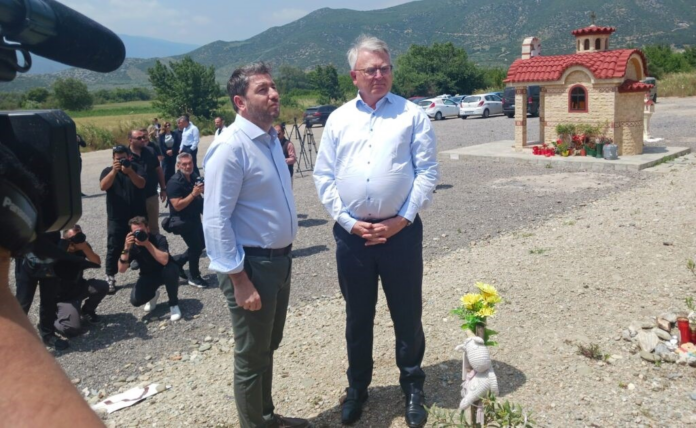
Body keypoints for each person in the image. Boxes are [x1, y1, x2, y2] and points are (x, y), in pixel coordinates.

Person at [313, 35, 439, 428]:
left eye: (385, 68)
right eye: (371, 69)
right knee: (358, 316)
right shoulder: (338, 119)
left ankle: (413, 385)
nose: (379, 75)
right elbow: (324, 176)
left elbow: (427, 173)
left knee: (407, 312)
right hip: (353, 238)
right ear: (355, 76)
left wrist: (401, 219)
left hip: (401, 234)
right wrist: (349, 222)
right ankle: (357, 388)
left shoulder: (411, 115)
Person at [203, 62, 307, 428]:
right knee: (251, 356)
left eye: (273, 87)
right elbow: (214, 219)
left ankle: (267, 417)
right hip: (251, 266)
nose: (274, 94)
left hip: (278, 262)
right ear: (240, 102)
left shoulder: (270, 140)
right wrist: (238, 279)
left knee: (267, 347)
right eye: (263, 89)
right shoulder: (230, 147)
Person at [0, 145, 104, 426]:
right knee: (22, 302)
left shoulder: (50, 213)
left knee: (47, 302)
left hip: (49, 264)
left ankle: (46, 335)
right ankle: (21, 338)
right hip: (27, 264)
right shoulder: (29, 207)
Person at [100, 144, 147, 293]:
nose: (121, 161)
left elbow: (141, 184)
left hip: (137, 216)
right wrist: (114, 171)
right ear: (113, 159)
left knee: (142, 242)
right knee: (114, 246)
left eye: (123, 158)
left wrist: (130, 171)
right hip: (117, 216)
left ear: (129, 157)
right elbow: (103, 186)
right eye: (118, 159)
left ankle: (147, 272)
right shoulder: (107, 171)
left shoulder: (136, 168)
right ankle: (110, 276)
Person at [119, 216, 181, 321]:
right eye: (136, 232)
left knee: (171, 269)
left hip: (165, 270)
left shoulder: (159, 239)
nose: (139, 234)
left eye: (141, 231)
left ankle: (173, 304)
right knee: (136, 301)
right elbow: (121, 269)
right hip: (148, 274)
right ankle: (153, 295)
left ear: (147, 229)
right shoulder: (132, 246)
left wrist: (147, 244)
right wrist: (126, 248)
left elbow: (164, 260)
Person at [14, 232, 66, 350]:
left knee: (49, 300)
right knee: (22, 302)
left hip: (51, 255)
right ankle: (13, 338)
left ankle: (48, 335)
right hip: (25, 257)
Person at [54, 225, 108, 337]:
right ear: (66, 240)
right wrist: (65, 250)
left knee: (102, 286)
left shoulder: (82, 246)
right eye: (75, 237)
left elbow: (97, 262)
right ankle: (49, 321)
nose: (79, 239)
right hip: (63, 297)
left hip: (79, 287)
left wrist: (84, 248)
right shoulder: (59, 250)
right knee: (71, 329)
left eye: (81, 235)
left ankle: (87, 311)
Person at [167, 152, 207, 288]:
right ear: (178, 165)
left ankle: (178, 262)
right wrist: (193, 194)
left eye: (190, 163)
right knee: (196, 247)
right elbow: (177, 206)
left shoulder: (193, 176)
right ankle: (194, 276)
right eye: (184, 164)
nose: (188, 166)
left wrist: (203, 190)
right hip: (182, 221)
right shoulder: (174, 183)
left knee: (202, 244)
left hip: (194, 218)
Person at [128, 128, 167, 235]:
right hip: (134, 197)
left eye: (144, 137)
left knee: (153, 227)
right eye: (139, 138)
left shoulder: (150, 151)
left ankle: (155, 245)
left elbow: (158, 170)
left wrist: (163, 188)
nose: (143, 140)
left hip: (151, 195)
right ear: (130, 140)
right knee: (136, 227)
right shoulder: (126, 155)